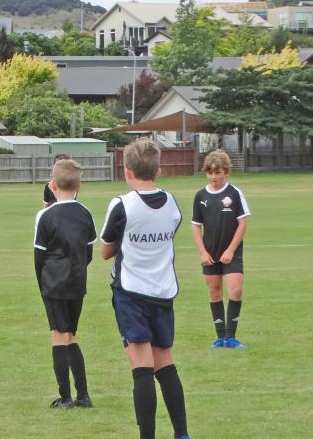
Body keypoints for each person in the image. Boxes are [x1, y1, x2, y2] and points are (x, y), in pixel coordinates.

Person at [100, 140, 189, 439]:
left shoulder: (122, 204)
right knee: (165, 362)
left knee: (142, 368)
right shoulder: (173, 202)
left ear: (126, 172)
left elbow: (105, 251)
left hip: (131, 293)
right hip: (163, 292)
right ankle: (182, 434)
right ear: (159, 170)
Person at [33, 159, 96, 409]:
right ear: (79, 185)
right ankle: (83, 395)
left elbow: (39, 256)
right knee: (71, 335)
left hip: (54, 284)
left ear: (52, 185)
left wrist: (44, 283)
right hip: (77, 283)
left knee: (59, 336)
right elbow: (89, 252)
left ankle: (66, 398)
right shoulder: (85, 213)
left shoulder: (45, 215)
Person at [190, 150, 250, 349]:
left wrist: (231, 250)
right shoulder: (200, 196)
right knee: (214, 292)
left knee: (235, 290)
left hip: (231, 253)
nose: (213, 177)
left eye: (218, 172)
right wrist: (202, 252)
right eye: (210, 173)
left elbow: (242, 223)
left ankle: (232, 338)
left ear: (226, 172)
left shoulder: (234, 193)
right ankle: (220, 337)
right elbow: (196, 226)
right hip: (210, 253)